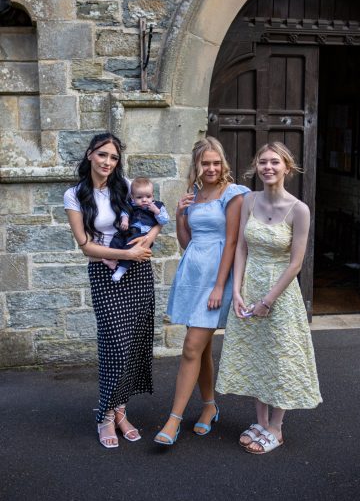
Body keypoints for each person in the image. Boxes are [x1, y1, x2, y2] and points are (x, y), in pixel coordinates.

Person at [216, 142, 322, 454]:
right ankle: (260, 421)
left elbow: (296, 264)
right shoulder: (248, 200)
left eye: (275, 162)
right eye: (263, 162)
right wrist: (236, 290)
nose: (268, 167)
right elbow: (241, 248)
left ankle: (276, 427)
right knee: (255, 355)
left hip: (280, 292)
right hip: (249, 286)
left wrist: (267, 301)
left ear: (287, 168)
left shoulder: (299, 210)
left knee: (278, 355)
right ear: (256, 167)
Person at [64, 133, 160, 449]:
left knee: (133, 343)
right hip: (106, 275)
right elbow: (85, 247)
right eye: (103, 155)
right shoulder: (75, 195)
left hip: (138, 272)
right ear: (90, 154)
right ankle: (104, 415)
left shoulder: (126, 186)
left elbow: (157, 216)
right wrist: (126, 255)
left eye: (114, 157)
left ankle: (121, 411)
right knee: (114, 345)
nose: (108, 162)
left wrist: (147, 240)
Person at [154, 136, 249, 446]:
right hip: (193, 275)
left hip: (215, 278)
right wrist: (181, 214)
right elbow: (186, 242)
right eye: (205, 163)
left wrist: (220, 286)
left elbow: (232, 241)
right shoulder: (193, 195)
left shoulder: (232, 193)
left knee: (191, 347)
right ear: (196, 165)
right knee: (203, 347)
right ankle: (209, 407)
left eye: (216, 162)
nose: (211, 168)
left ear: (223, 163)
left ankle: (174, 419)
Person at [102, 176, 170, 282]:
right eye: (139, 197)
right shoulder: (130, 204)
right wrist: (124, 220)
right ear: (133, 197)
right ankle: (112, 260)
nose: (144, 200)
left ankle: (120, 270)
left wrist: (156, 211)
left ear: (153, 195)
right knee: (117, 239)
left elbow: (164, 220)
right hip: (128, 230)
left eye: (148, 196)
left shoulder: (157, 206)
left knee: (132, 247)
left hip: (142, 234)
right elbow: (124, 212)